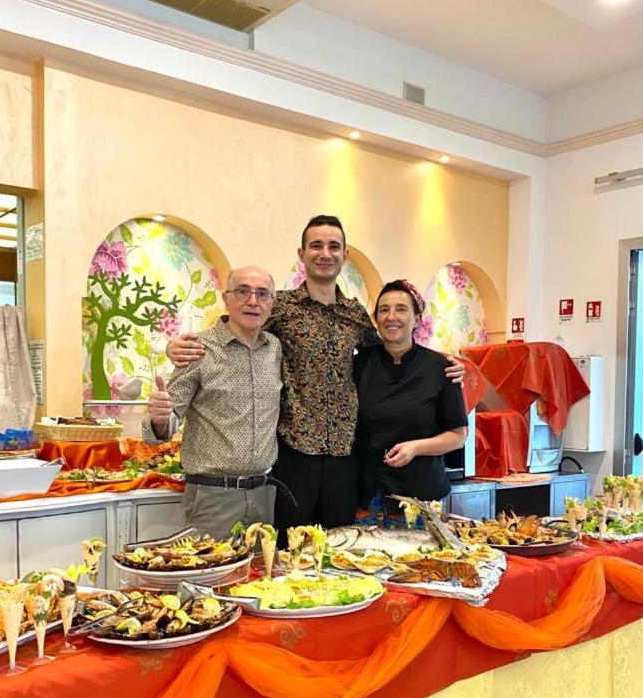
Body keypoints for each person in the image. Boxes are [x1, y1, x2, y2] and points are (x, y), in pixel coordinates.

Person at [167, 215, 464, 538]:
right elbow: (239, 327)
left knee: (339, 546)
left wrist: (442, 363)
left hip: (344, 457)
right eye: (316, 246)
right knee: (289, 548)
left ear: (344, 255)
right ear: (302, 253)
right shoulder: (280, 306)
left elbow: (390, 348)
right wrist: (176, 346)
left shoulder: (354, 314)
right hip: (293, 453)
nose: (325, 253)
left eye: (334, 246)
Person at [143, 265, 282, 539]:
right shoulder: (198, 349)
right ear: (225, 298)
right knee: (209, 566)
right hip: (213, 495)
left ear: (272, 303)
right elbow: (166, 426)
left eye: (262, 294)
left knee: (259, 567)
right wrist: (160, 419)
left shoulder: (275, 348)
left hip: (264, 495)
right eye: (242, 291)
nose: (253, 301)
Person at [355, 279, 468, 527]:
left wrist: (416, 447)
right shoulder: (359, 365)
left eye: (401, 309)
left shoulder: (442, 368)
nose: (391, 317)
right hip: (371, 495)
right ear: (376, 319)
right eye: (384, 310)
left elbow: (458, 435)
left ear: (417, 319)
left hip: (422, 496)